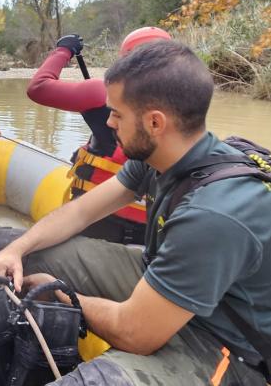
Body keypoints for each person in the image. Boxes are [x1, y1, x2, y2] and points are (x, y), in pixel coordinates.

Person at [0, 40, 271, 385]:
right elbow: (80, 213)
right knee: (27, 253)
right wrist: (16, 250)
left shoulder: (215, 215)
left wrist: (62, 292)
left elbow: (135, 333)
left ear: (155, 122)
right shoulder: (162, 159)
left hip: (230, 347)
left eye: (117, 114)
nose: (108, 122)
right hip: (177, 292)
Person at [26, 27, 171, 245]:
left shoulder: (101, 91)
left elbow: (38, 88)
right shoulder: (184, 103)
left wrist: (63, 50)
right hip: (150, 235)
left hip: (98, 222)